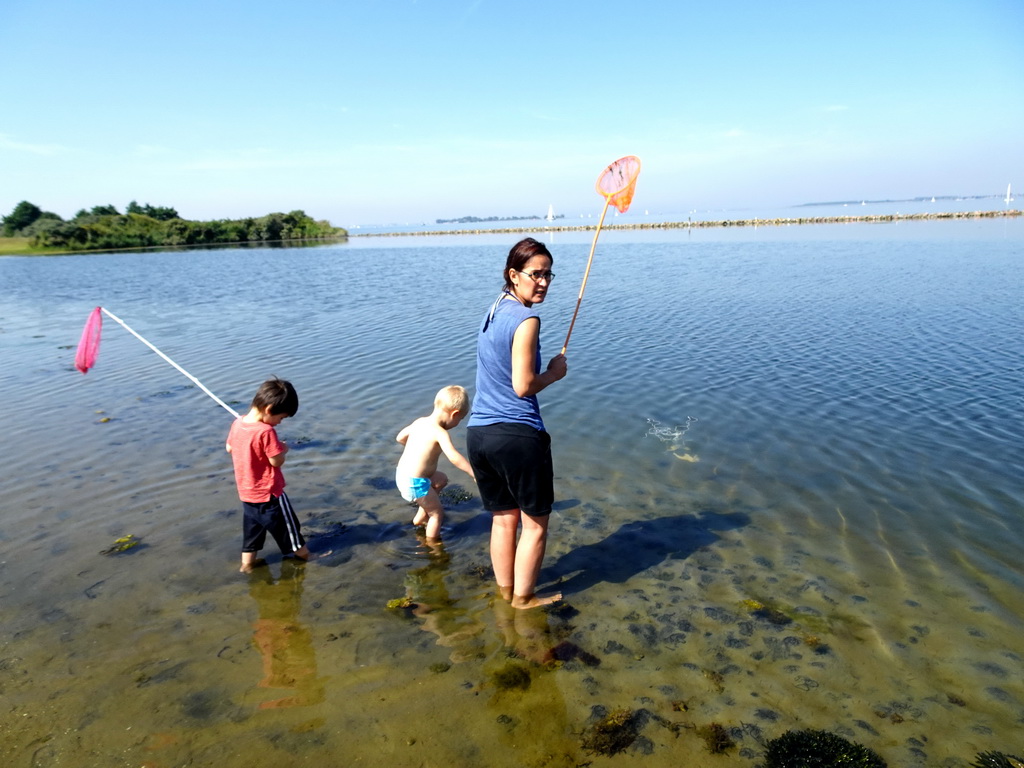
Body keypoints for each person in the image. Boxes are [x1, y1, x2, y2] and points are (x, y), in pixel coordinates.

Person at [467, 237, 567, 609]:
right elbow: (523, 386)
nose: (543, 282)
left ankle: (506, 591)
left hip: (479, 435)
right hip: (516, 436)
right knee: (535, 524)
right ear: (513, 274)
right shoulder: (527, 319)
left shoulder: (493, 310)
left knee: (503, 520)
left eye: (548, 275)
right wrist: (554, 374)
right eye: (535, 274)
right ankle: (523, 600)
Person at [226, 378, 311, 573]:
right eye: (281, 418)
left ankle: (246, 565)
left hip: (247, 494)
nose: (279, 423)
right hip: (269, 494)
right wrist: (283, 448)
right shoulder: (266, 432)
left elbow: (229, 447)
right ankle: (306, 555)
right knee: (290, 530)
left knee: (252, 534)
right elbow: (276, 461)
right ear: (269, 409)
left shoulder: (238, 423)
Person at [395, 385, 476, 542]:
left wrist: (417, 448)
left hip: (402, 475)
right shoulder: (440, 433)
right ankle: (432, 546)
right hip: (414, 483)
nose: (459, 422)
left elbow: (399, 437)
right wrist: (473, 473)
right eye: (461, 419)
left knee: (440, 480)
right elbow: (454, 457)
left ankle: (419, 518)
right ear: (455, 414)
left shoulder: (420, 422)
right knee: (437, 514)